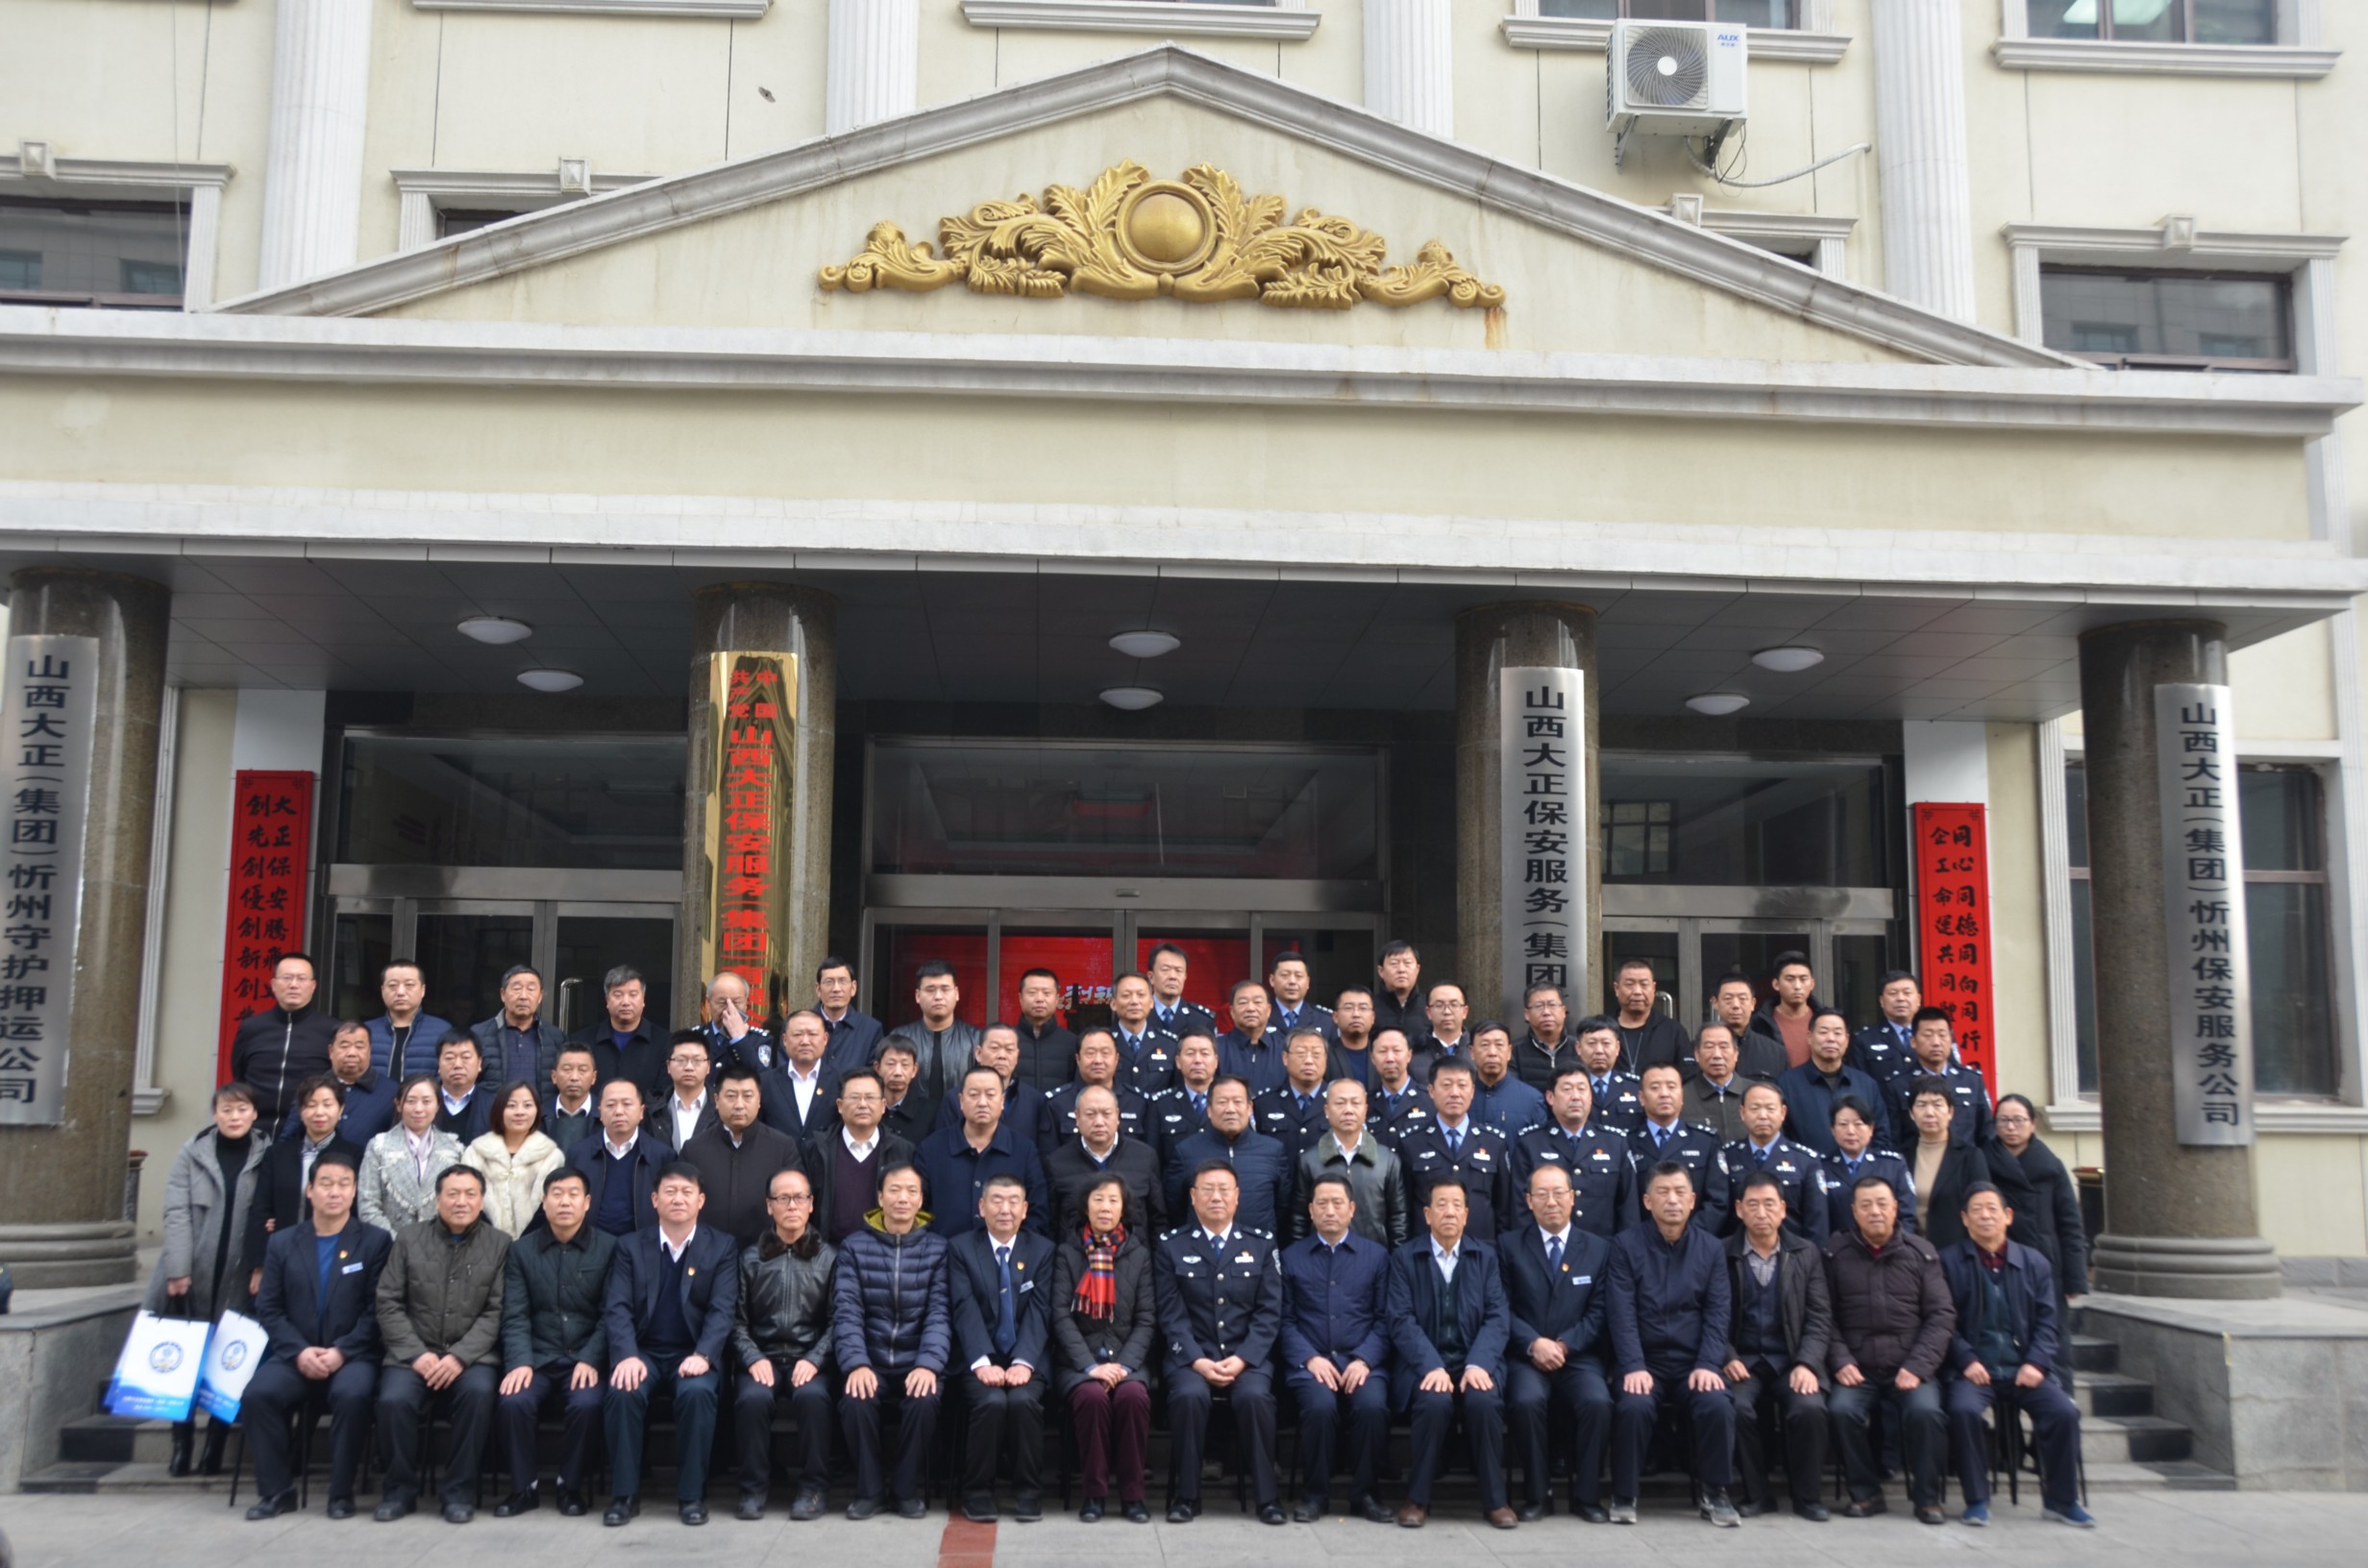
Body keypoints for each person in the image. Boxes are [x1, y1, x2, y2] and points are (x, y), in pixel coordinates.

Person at [241, 1150, 390, 1521]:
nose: (334, 1192)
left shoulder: (374, 1242)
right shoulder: (283, 1242)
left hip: (353, 1356)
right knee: (258, 1395)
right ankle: (277, 1492)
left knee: (352, 1395)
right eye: (325, 1184)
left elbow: (377, 1311)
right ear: (310, 1190)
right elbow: (269, 1308)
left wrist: (341, 1352)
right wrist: (299, 1352)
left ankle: (341, 1493)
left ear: (354, 1191)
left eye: (343, 1184)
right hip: (295, 1355)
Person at [1937, 1183, 2095, 1529]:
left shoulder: (2034, 1262)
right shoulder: (1948, 1262)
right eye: (1976, 1210)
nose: (1985, 1216)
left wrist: (2036, 1363)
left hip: (2025, 1369)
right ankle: (1976, 1500)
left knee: (2064, 1412)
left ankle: (2062, 1501)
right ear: (1964, 1218)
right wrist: (1966, 1360)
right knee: (1963, 1411)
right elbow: (1943, 1322)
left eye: (1992, 1209)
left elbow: (2049, 1322)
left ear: (2007, 1216)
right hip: (1974, 1371)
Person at [602, 1162, 740, 1526]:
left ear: (701, 1200)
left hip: (692, 1353)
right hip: (644, 1352)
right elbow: (617, 1307)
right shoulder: (630, 1246)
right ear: (654, 1199)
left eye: (686, 1192)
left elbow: (723, 1310)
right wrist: (626, 1355)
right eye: (670, 1192)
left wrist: (704, 1354)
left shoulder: (721, 1247)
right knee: (623, 1391)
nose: (678, 1199)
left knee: (697, 1393)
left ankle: (691, 1496)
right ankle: (624, 1495)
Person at [372, 1164, 509, 1524]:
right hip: (413, 1354)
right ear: (437, 1200)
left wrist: (460, 1357)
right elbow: (388, 1302)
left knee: (478, 1395)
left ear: (481, 1200)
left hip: (472, 1357)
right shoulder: (408, 1239)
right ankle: (399, 1491)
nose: (461, 1202)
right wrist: (416, 1354)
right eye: (452, 1194)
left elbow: (497, 1311)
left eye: (470, 1194)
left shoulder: (499, 1245)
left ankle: (459, 1493)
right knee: (393, 1400)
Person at [1605, 1162, 1739, 1527]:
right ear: (1647, 1201)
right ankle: (1624, 1494)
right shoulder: (1625, 1245)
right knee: (1633, 1405)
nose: (1672, 1200)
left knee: (1716, 1403)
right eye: (1663, 1192)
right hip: (1644, 1360)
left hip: (1692, 1361)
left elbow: (1717, 1313)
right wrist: (1633, 1365)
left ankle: (1715, 1493)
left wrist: (1708, 1364)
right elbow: (1621, 1313)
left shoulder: (1710, 1249)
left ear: (1693, 1200)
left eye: (1680, 1192)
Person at [149, 1082, 269, 1477]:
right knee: (183, 1358)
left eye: (242, 1109)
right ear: (215, 1114)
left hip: (238, 1274)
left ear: (254, 1114)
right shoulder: (193, 1152)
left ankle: (215, 1445)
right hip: (192, 1271)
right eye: (226, 1110)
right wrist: (178, 1269)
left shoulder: (265, 1153)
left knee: (228, 1360)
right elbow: (176, 1211)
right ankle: (181, 1443)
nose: (234, 1117)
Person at [1155, 1162, 1285, 1526]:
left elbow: (1269, 1313)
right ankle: (1187, 1496)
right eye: (1207, 1189)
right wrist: (1197, 1360)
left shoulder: (1261, 1245)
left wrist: (1243, 1359)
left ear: (1237, 1197)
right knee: (1188, 1396)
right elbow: (1170, 1314)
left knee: (1255, 1398)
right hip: (1191, 1358)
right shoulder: (1171, 1246)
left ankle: (1268, 1499)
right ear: (1192, 1197)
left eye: (1224, 1189)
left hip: (1247, 1358)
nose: (1216, 1197)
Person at [1823, 1175, 1955, 1524]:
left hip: (1909, 1366)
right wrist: (1841, 1360)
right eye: (1866, 1205)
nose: (1875, 1212)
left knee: (1926, 1412)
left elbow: (1941, 1316)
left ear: (1896, 1208)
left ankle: (1927, 1499)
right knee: (1840, 1410)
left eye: (1882, 1204)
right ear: (1854, 1212)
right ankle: (1865, 1494)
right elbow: (1824, 1316)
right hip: (1858, 1367)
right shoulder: (1835, 1254)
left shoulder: (1921, 1252)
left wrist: (1918, 1367)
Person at [1388, 1182, 1515, 1529]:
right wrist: (1431, 1365)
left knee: (1484, 1400)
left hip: (1474, 1359)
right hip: (1425, 1363)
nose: (1449, 1212)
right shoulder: (1405, 1258)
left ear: (1467, 1215)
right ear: (1427, 1214)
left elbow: (1497, 1316)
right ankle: (1417, 1499)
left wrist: (1479, 1363)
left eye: (1457, 1205)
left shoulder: (1486, 1257)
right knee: (1434, 1401)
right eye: (1441, 1205)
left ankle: (1495, 1501)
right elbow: (1400, 1319)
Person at [493, 1165, 615, 1519]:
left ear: (587, 1202)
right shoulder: (521, 1251)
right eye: (556, 1195)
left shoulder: (609, 1248)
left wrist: (591, 1358)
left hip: (585, 1357)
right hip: (538, 1357)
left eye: (573, 1194)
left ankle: (569, 1485)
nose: (565, 1202)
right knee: (513, 1401)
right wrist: (520, 1362)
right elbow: (515, 1314)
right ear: (543, 1203)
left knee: (587, 1404)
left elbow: (611, 1314)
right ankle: (524, 1487)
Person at [832, 1162, 951, 1520]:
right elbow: (847, 1311)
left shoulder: (938, 1249)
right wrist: (857, 1363)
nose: (903, 1198)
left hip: (917, 1359)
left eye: (911, 1191)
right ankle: (869, 1491)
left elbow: (940, 1313)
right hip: (870, 1359)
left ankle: (904, 1489)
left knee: (925, 1399)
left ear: (921, 1200)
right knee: (856, 1399)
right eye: (895, 1190)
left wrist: (928, 1364)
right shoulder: (854, 1247)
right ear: (880, 1197)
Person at [1500, 1164, 1614, 1523]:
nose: (1551, 1202)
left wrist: (1564, 1345)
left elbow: (1599, 1312)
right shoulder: (1508, 1246)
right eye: (1542, 1194)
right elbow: (1499, 1308)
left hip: (1577, 1356)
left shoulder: (1598, 1248)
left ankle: (1587, 1497)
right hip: (1527, 1356)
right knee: (1526, 1401)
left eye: (1558, 1193)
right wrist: (1533, 1343)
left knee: (1598, 1402)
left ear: (1572, 1198)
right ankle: (1539, 1494)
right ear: (1528, 1201)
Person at [1278, 1174, 1393, 1523]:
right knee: (1319, 1406)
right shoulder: (1291, 1257)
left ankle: (1365, 1495)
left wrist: (1364, 1359)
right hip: (1311, 1363)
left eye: (1337, 1203)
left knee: (1372, 1406)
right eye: (1322, 1204)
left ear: (1352, 1209)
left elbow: (1386, 1320)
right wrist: (1309, 1358)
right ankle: (1316, 1496)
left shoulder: (1376, 1256)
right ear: (1310, 1210)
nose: (1330, 1210)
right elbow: (1283, 1320)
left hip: (1363, 1361)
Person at [1721, 1171, 1833, 1521]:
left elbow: (1820, 1316)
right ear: (1739, 1209)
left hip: (1791, 1358)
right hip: (1743, 1360)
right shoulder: (1722, 1253)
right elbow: (1711, 1313)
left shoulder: (1805, 1252)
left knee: (1809, 1408)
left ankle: (1807, 1497)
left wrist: (1808, 1363)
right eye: (1752, 1204)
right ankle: (1757, 1494)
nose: (1761, 1213)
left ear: (1783, 1209)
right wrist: (1727, 1356)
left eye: (1769, 1204)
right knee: (1735, 1408)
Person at [730, 1166, 837, 1522]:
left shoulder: (829, 1258)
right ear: (769, 1206)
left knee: (813, 1398)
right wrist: (752, 1357)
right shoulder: (750, 1258)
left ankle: (813, 1488)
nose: (792, 1205)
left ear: (811, 1204)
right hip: (763, 1357)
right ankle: (752, 1488)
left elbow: (839, 1321)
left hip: (810, 1358)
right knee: (752, 1399)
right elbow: (736, 1321)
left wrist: (816, 1358)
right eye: (783, 1198)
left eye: (800, 1198)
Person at [949, 1174, 1055, 1522]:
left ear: (1025, 1209)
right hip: (978, 1357)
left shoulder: (1042, 1250)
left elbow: (1040, 1311)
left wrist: (1024, 1361)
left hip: (1028, 1356)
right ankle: (977, 1492)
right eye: (996, 1200)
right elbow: (964, 1307)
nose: (1004, 1209)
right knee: (992, 1402)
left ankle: (1029, 1492)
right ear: (982, 1207)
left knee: (1024, 1402)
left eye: (1013, 1202)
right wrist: (982, 1362)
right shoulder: (961, 1248)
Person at [1051, 1174, 1155, 1523]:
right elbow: (1060, 1315)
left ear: (1124, 1208)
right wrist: (1089, 1366)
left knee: (1133, 1397)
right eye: (1098, 1199)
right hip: (1079, 1363)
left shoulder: (1139, 1255)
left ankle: (1133, 1497)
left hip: (1127, 1361)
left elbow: (1146, 1319)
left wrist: (1123, 1365)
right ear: (1085, 1206)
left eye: (1113, 1200)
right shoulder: (1067, 1253)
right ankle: (1094, 1495)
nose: (1105, 1207)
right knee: (1092, 1397)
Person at [1990, 1092, 2090, 1388]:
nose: (2011, 1127)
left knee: (2053, 1340)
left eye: (2018, 1120)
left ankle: (2062, 1402)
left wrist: (2075, 1278)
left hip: (2045, 1264)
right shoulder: (1983, 1161)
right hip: (1999, 1263)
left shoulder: (2051, 1166)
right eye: (2003, 1121)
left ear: (2032, 1124)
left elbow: (2070, 1224)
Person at [247, 1074, 362, 1296]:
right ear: (300, 1111)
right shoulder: (277, 1154)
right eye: (311, 1105)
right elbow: (261, 1208)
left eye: (327, 1104)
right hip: (282, 1255)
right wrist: (259, 1265)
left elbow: (356, 1210)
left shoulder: (355, 1155)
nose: (319, 1112)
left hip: (333, 1255)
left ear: (340, 1109)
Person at [916, 1064, 1051, 1237]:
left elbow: (1037, 1213)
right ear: (961, 1101)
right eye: (974, 1095)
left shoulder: (1023, 1150)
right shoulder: (931, 1149)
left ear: (1002, 1101)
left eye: (990, 1095)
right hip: (943, 1251)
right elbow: (918, 1210)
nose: (982, 1102)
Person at [1902, 1077, 2035, 1250]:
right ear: (1911, 1113)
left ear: (1950, 1112)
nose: (1929, 1112)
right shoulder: (1901, 1155)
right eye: (1921, 1105)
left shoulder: (1970, 1157)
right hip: (1910, 1253)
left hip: (1955, 1252)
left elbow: (1981, 1206)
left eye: (1937, 1104)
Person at [682, 1063, 803, 1246]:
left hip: (766, 1253)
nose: (739, 1105)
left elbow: (797, 1203)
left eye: (747, 1096)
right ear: (716, 1100)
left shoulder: (782, 1147)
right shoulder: (694, 1150)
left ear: (759, 1100)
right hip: (707, 1252)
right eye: (731, 1096)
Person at [1395, 1056, 1515, 1240]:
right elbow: (1405, 1208)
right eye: (1446, 1085)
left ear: (1472, 1091)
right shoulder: (1411, 1142)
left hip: (1481, 1251)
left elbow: (1504, 1209)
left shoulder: (1493, 1142)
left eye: (1462, 1085)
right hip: (1427, 1251)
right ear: (1431, 1091)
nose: (1454, 1093)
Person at [1511, 1067, 1636, 1241]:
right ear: (1550, 1097)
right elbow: (1520, 1209)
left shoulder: (1615, 1143)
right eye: (1567, 1089)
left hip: (1603, 1249)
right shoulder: (1530, 1143)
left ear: (1591, 1097)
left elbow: (1628, 1208)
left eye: (1582, 1089)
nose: (1576, 1097)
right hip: (1547, 1248)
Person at [1163, 1076, 1290, 1237]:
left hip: (1259, 1247)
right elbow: (1176, 1208)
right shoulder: (1186, 1151)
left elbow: (1282, 1207)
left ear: (1249, 1108)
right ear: (1209, 1109)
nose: (1230, 1109)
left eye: (1237, 1102)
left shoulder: (1273, 1150)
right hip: (1201, 1247)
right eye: (1222, 1102)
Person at [230, 951, 339, 1136]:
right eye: (287, 978)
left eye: (301, 979)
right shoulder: (251, 1028)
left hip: (306, 1133)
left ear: (313, 986)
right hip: (254, 1132)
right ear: (273, 984)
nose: (293, 985)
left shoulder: (331, 1030)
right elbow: (239, 1077)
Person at [1289, 1078, 1407, 1246]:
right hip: (1321, 1255)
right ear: (1326, 1110)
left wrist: (1394, 1257)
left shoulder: (1387, 1160)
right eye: (1340, 1103)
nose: (1348, 1110)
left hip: (1374, 1255)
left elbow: (1398, 1218)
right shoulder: (1308, 1160)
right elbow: (1299, 1219)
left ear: (1365, 1110)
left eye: (1355, 1103)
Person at [805, 1067, 914, 1244]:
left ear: (883, 1106)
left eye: (870, 1098)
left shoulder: (903, 1151)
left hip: (885, 1251)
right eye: (854, 1097)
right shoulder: (817, 1150)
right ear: (840, 1105)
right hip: (829, 1252)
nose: (863, 1104)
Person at [1712, 1082, 1830, 1244]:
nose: (1762, 1116)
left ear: (1783, 1113)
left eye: (1770, 1108)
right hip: (1737, 1252)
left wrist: (1809, 1256)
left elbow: (1817, 1221)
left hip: (1792, 1252)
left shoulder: (1805, 1160)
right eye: (1755, 1108)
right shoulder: (1727, 1156)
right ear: (1742, 1113)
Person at [1044, 1084, 1164, 1237]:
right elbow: (1051, 1224)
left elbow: (1158, 1220)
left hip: (1135, 1251)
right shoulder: (1057, 1162)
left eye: (1106, 1114)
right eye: (1090, 1114)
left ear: (1117, 1116)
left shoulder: (1145, 1157)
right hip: (1076, 1251)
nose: (1099, 1122)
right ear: (1077, 1117)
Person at [1779, 1009, 1895, 1156]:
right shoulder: (1787, 1084)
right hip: (1806, 1169)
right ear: (1809, 1037)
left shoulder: (1866, 1084)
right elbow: (1781, 1136)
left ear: (1847, 1040)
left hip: (1860, 1169)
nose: (1831, 1039)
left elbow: (1881, 1135)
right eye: (1823, 1032)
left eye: (1837, 1033)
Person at [358, 1074, 466, 1235]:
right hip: (390, 1244)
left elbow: (460, 1205)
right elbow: (368, 1207)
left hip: (440, 1244)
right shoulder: (378, 1147)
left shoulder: (454, 1149)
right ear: (398, 1105)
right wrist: (398, 1243)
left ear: (437, 1105)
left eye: (426, 1101)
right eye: (411, 1101)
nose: (418, 1109)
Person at [568, 1076, 673, 1237]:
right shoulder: (579, 1154)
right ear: (600, 1112)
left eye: (627, 1104)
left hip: (643, 1245)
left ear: (641, 1111)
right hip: (591, 1244)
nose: (618, 1111)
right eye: (610, 1105)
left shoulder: (662, 1155)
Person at [1629, 1064, 1727, 1232]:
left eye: (1671, 1086)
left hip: (1695, 1240)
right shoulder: (1627, 1142)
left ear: (1682, 1096)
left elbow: (1718, 1201)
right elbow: (1625, 1203)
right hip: (1642, 1241)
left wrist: (1686, 1236)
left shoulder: (1705, 1141)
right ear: (1641, 1098)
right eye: (1655, 1088)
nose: (1664, 1094)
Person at [463, 1078, 566, 1237]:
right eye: (511, 1105)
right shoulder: (476, 1153)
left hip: (534, 1242)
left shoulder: (552, 1156)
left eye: (527, 1105)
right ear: (499, 1110)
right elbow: (467, 1200)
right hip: (482, 1241)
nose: (520, 1112)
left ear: (537, 1110)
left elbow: (549, 1208)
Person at [1035, 1029, 1153, 1164]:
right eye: (1090, 1053)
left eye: (1105, 1053)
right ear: (1078, 1059)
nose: (1098, 1060)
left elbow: (1149, 1157)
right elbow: (1049, 1160)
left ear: (1116, 1059)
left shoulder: (1138, 1102)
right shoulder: (1056, 1103)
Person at [1887, 1007, 1995, 1146]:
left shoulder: (1972, 1080)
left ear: (1951, 1040)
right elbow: (1894, 1139)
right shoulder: (1898, 1085)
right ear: (1913, 1041)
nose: (1936, 1042)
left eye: (1942, 1035)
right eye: (1928, 1035)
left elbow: (1988, 1134)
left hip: (1965, 1159)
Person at [1815, 1094, 1916, 1240]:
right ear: (1833, 1129)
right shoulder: (1820, 1166)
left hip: (1886, 1249)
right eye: (1843, 1124)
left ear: (1871, 1129)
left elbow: (1907, 1216)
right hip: (1837, 1249)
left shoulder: (1893, 1165)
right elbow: (1817, 1219)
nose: (1851, 1131)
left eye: (1858, 1124)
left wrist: (1895, 1246)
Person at [886, 960, 982, 1107]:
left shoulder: (975, 1038)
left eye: (945, 989)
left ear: (956, 994)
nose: (938, 996)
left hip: (959, 1117)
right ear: (918, 996)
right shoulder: (900, 1037)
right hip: (911, 1118)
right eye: (930, 990)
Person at [932, 1021, 1045, 1139]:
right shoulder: (954, 1099)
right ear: (978, 1053)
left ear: (1017, 1056)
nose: (1002, 1055)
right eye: (994, 1048)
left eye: (1009, 1049)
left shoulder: (1035, 1100)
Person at [566, 965, 667, 1090]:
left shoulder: (665, 1043)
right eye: (618, 995)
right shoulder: (581, 1041)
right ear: (607, 1000)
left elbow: (663, 1093)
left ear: (643, 1000)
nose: (625, 1002)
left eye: (633, 995)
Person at [473, 965, 566, 1096]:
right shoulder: (478, 1034)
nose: (523, 996)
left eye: (531, 989)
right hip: (492, 1109)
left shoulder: (556, 1037)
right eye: (517, 989)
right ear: (503, 994)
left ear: (540, 996)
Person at [307, 1017, 397, 1146]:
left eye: (359, 1046)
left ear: (369, 1051)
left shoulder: (391, 1092)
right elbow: (290, 1138)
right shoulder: (311, 1089)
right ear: (331, 1051)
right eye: (344, 1046)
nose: (351, 1053)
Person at [1250, 1027, 1334, 1163]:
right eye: (1301, 1053)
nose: (1309, 1061)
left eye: (1316, 1054)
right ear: (1285, 1058)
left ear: (1326, 1058)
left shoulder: (1339, 1102)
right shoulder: (1264, 1104)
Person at [367, 960, 455, 1082]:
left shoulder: (442, 1030)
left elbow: (449, 1077)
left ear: (423, 990)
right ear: (382, 990)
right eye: (392, 986)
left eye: (409, 985)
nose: (400, 992)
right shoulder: (367, 1031)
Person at [1610, 959, 1690, 1073]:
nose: (1637, 991)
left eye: (1644, 985)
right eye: (1629, 985)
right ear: (1617, 989)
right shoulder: (1602, 1029)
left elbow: (1687, 1075)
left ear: (1653, 988)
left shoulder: (1673, 1031)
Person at [769, 1010, 840, 1139]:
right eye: (797, 1034)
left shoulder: (839, 1082)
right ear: (785, 1040)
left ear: (825, 1039)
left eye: (812, 1034)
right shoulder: (766, 1083)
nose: (805, 1041)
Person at [1145, 1031, 1221, 1150]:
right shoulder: (1161, 1105)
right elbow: (1152, 1155)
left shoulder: (1229, 1102)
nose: (1198, 1060)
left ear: (1216, 1061)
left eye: (1204, 1053)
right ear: (1178, 1062)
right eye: (1190, 1053)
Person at [1106, 971, 1178, 1096]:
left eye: (1141, 995)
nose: (1134, 1001)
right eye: (1126, 995)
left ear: (1151, 1003)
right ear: (1113, 1004)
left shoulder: (1170, 1044)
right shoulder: (1103, 1042)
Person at [1468, 1022, 1548, 1136]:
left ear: (1509, 1052)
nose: (1492, 1053)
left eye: (1499, 1045)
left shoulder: (1532, 1099)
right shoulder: (1459, 1097)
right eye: (1485, 1045)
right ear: (1472, 1052)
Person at [1678, 1023, 1752, 1143]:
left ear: (1736, 1053)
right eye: (1709, 1047)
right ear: (1697, 1054)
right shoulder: (1681, 1097)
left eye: (1723, 1047)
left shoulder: (1754, 1094)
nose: (1717, 1055)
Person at [1849, 970, 1926, 1085]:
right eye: (1893, 993)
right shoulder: (1864, 1040)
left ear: (1919, 999)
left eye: (1907, 993)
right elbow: (1860, 1085)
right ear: (1881, 1001)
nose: (1900, 998)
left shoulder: (1935, 1037)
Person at [1709, 971, 1788, 1083]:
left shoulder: (1775, 1052)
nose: (1736, 1005)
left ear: (1753, 1003)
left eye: (1742, 998)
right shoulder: (1701, 1051)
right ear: (1715, 1003)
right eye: (1728, 999)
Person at [814, 955, 885, 1079]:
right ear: (818, 989)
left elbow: (874, 1079)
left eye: (842, 981)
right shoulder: (798, 1027)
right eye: (829, 982)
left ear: (853, 988)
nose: (836, 989)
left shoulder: (871, 1030)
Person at [1364, 1027, 1435, 1148]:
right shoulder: (1366, 1104)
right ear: (1373, 1058)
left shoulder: (1431, 1100)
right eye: (1382, 1051)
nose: (1390, 1059)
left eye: (1397, 1050)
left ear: (1409, 1055)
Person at [1009, 966, 1078, 1090]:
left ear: (1056, 999)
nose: (1039, 999)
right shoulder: (1006, 1041)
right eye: (1032, 993)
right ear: (1020, 998)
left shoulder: (1072, 1042)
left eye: (1046, 993)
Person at [702, 969, 779, 1078]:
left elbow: (763, 1079)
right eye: (722, 1002)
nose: (729, 1009)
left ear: (746, 1004)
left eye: (736, 1002)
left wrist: (740, 1039)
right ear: (708, 1003)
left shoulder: (760, 1040)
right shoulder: (695, 1037)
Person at [1574, 1018, 1644, 1138]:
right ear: (1578, 1048)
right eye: (1591, 1043)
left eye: (1606, 1043)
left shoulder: (1636, 1087)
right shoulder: (1569, 1089)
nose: (1599, 1051)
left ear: (1617, 1048)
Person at [1750, 952, 1820, 1070]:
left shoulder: (1825, 1020)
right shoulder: (1759, 1023)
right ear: (1776, 984)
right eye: (1790, 979)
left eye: (1803, 979)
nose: (1797, 986)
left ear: (1812, 984)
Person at [1214, 980, 1285, 1096]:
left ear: (1269, 1010)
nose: (1251, 1008)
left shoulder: (1284, 1050)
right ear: (1232, 1012)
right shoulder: (1215, 1049)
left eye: (1257, 1002)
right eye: (1243, 1003)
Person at [658, 1031, 722, 1152]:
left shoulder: (722, 1108)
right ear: (668, 1066)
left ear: (708, 1066)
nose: (689, 1067)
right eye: (681, 1060)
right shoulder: (654, 1112)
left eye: (697, 1060)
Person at [1512, 983, 1577, 1093]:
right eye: (1538, 1006)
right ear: (1527, 1014)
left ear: (1563, 1011)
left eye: (1552, 1005)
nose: (1546, 1012)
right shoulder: (1513, 1052)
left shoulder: (1580, 1048)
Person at [873, 1036, 937, 1144]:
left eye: (905, 1065)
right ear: (878, 1068)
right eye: (891, 1064)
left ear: (914, 1070)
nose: (897, 1072)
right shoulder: (868, 1108)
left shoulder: (930, 1111)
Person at [432, 1031, 494, 1143]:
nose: (457, 1065)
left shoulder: (494, 1105)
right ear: (438, 1065)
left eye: (466, 1057)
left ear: (479, 1063)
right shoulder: (424, 1102)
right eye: (449, 1058)